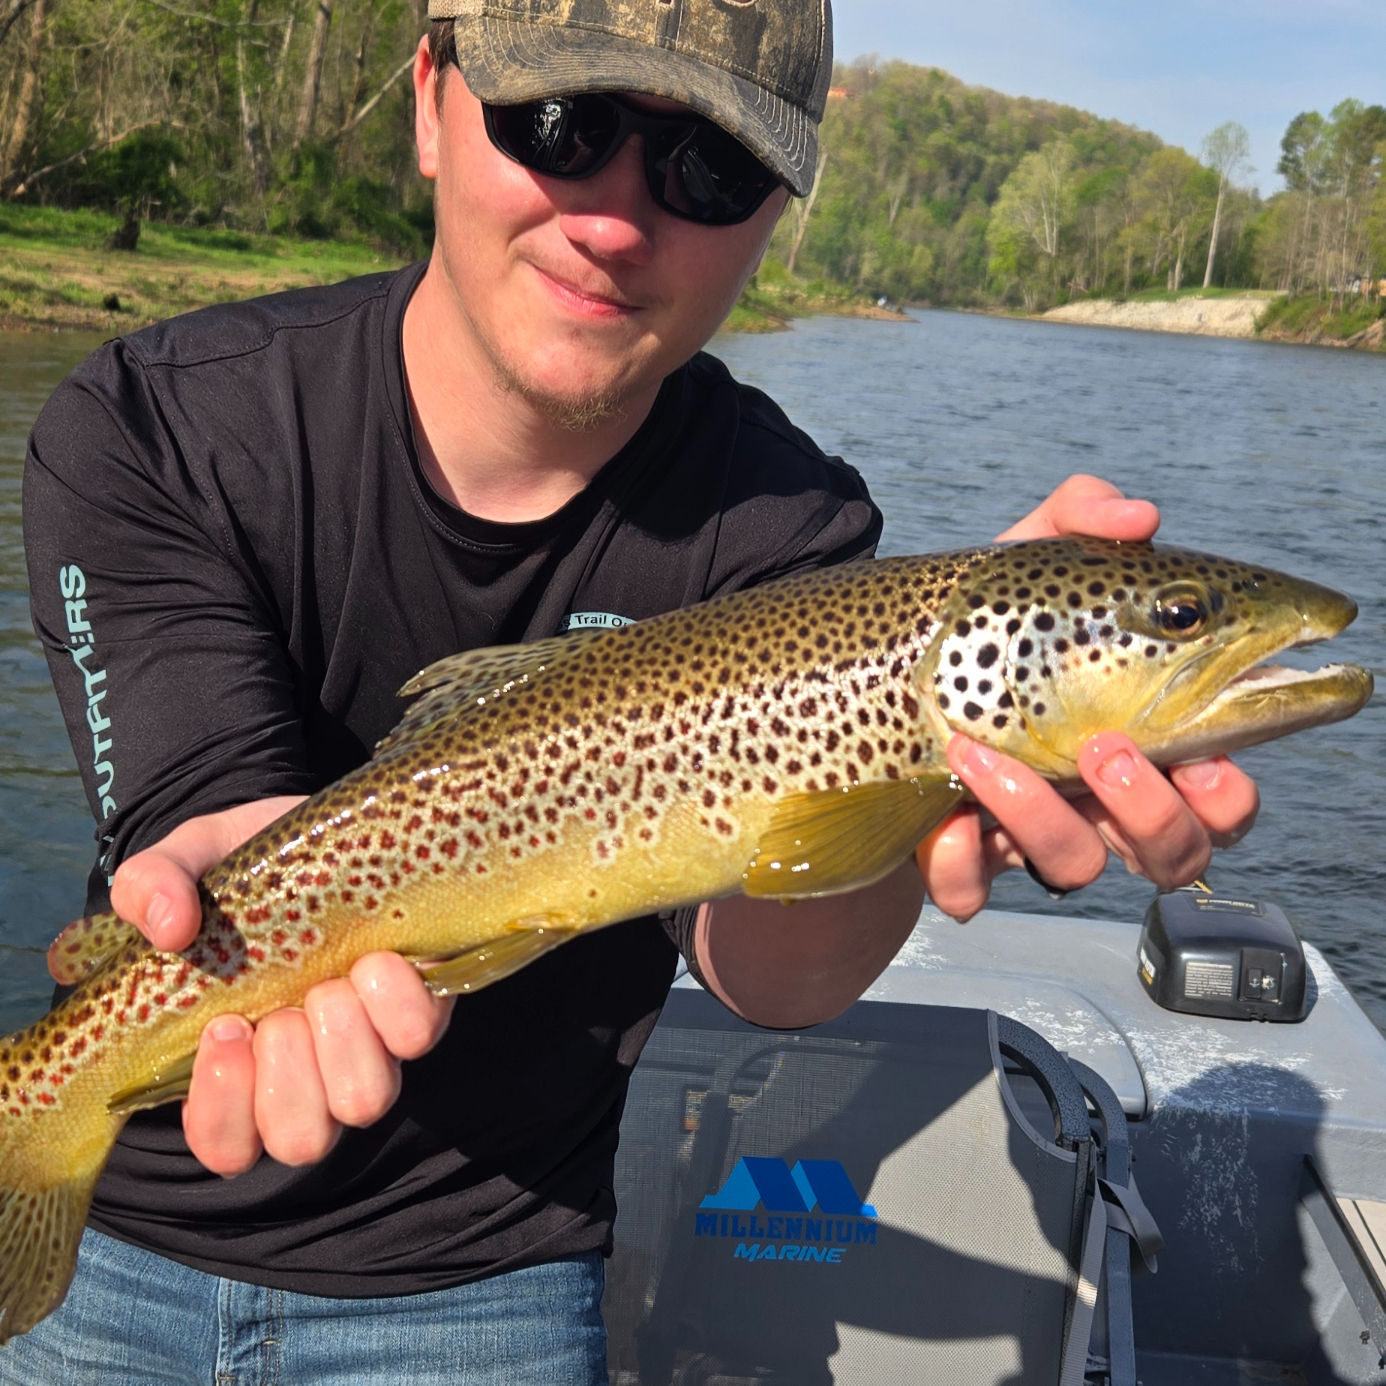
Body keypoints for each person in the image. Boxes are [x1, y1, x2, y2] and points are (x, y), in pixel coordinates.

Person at [12, 1, 1257, 1381]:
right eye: (561, 122)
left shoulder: (789, 530)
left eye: (705, 171)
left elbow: (765, 969)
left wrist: (932, 756)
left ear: (773, 209)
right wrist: (196, 907)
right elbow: (207, 815)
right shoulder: (153, 423)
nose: (614, 218)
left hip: (486, 1272)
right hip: (125, 1222)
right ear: (430, 100)